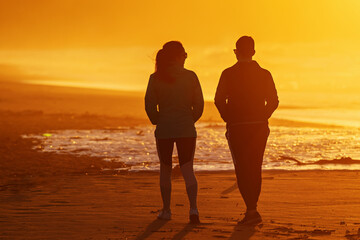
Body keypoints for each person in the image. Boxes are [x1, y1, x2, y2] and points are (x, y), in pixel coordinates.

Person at [214, 36, 279, 225]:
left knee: (242, 168)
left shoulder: (227, 73)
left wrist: (229, 117)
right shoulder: (264, 74)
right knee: (255, 167)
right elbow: (274, 100)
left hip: (237, 127)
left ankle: (251, 210)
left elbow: (219, 100)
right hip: (258, 127)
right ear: (253, 52)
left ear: (236, 52)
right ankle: (253, 209)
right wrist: (263, 116)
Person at [145, 41, 204, 224]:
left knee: (165, 169)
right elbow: (200, 105)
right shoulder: (191, 76)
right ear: (178, 56)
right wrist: (188, 120)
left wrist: (158, 120)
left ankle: (166, 210)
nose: (186, 58)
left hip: (164, 130)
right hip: (186, 129)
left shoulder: (156, 77)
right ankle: (193, 209)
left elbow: (149, 105)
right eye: (185, 55)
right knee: (187, 169)